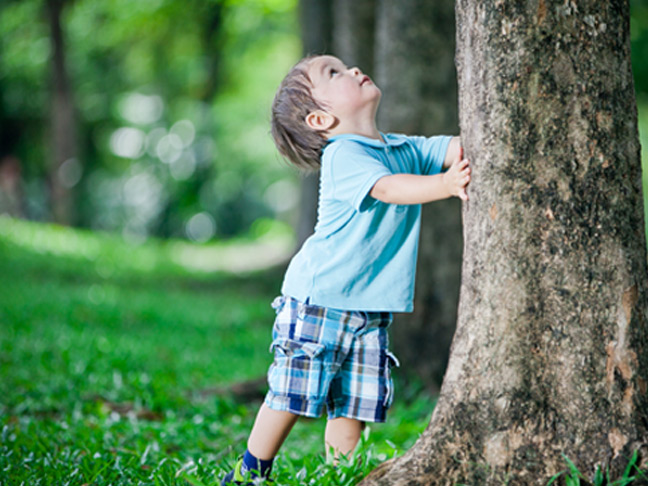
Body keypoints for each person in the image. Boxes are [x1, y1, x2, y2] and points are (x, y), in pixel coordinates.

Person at [221, 54, 470, 485]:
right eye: (333, 74)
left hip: (369, 308)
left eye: (345, 66)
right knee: (292, 393)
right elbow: (389, 188)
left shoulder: (398, 147)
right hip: (320, 300)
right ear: (320, 119)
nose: (353, 70)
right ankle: (250, 471)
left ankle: (344, 475)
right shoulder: (344, 155)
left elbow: (450, 147)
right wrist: (444, 185)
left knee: (354, 402)